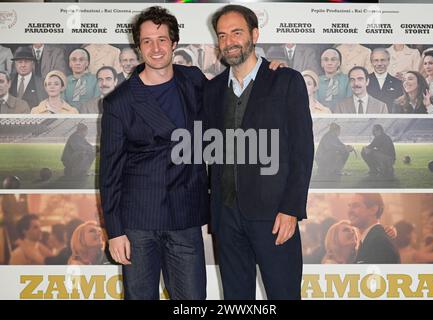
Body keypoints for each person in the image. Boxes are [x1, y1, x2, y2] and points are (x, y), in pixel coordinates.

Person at [204, 5, 314, 300]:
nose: (229, 41)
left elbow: (302, 151)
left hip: (275, 216)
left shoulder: (286, 81)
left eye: (237, 32)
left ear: (254, 34)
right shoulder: (211, 90)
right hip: (226, 218)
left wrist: (292, 208)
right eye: (223, 35)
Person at [100, 6, 210, 300]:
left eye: (162, 39)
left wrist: (264, 72)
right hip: (139, 224)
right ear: (138, 47)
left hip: (185, 218)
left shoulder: (194, 80)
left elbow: (230, 95)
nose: (156, 48)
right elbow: (109, 172)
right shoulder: (119, 102)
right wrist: (115, 231)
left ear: (174, 43)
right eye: (147, 41)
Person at [347, 193, 400, 264]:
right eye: (349, 206)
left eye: (355, 206)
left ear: (373, 209)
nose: (349, 211)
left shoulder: (379, 241)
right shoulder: (370, 239)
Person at [367, 48, 403, 113]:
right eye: (376, 60)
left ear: (388, 61)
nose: (379, 63)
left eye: (383, 60)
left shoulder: (398, 83)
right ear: (371, 62)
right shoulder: (364, 81)